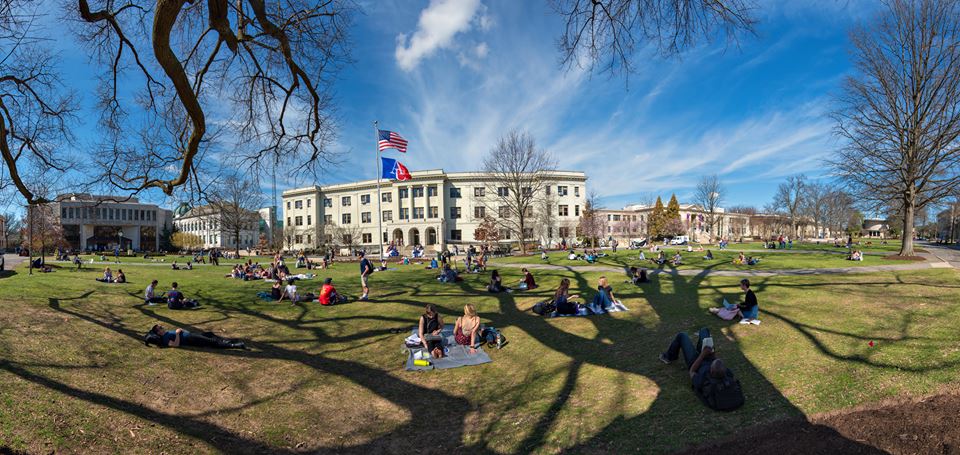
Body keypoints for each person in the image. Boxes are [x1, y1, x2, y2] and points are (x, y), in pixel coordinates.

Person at [658, 327, 744, 411]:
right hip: (708, 357)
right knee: (704, 330)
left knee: (682, 335)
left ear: (711, 370)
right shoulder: (727, 374)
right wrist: (713, 354)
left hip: (695, 362)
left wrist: (702, 355)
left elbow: (691, 371)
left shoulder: (704, 380)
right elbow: (717, 363)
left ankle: (668, 357)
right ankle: (701, 343)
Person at [144, 324, 246, 349]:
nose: (162, 327)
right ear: (158, 332)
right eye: (160, 327)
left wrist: (181, 331)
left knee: (209, 334)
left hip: (190, 335)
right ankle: (235, 345)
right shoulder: (165, 339)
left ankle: (227, 341)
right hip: (189, 339)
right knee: (211, 341)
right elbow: (175, 345)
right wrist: (178, 334)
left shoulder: (165, 334)